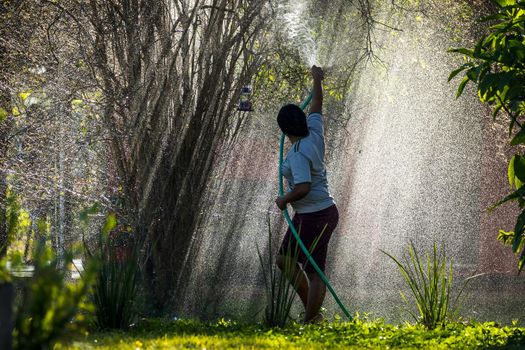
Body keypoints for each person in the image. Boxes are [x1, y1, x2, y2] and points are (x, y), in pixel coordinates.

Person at [275, 65, 339, 324]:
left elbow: (303, 188)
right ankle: (312, 314)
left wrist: (284, 200)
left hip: (316, 215)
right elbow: (317, 102)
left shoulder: (299, 153)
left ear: (284, 129)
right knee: (285, 260)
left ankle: (310, 320)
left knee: (313, 271)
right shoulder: (314, 132)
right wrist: (316, 79)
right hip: (311, 214)